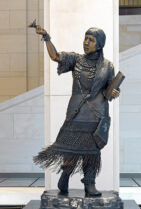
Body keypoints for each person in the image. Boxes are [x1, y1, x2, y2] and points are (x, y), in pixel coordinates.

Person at [33, 25, 119, 197]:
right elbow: (56, 56)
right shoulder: (76, 59)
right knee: (70, 147)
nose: (86, 42)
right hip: (76, 113)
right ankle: (64, 176)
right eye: (85, 38)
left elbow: (110, 90)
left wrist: (115, 92)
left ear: (100, 44)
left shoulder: (108, 66)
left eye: (91, 40)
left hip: (97, 115)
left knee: (92, 152)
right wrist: (47, 38)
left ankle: (90, 184)